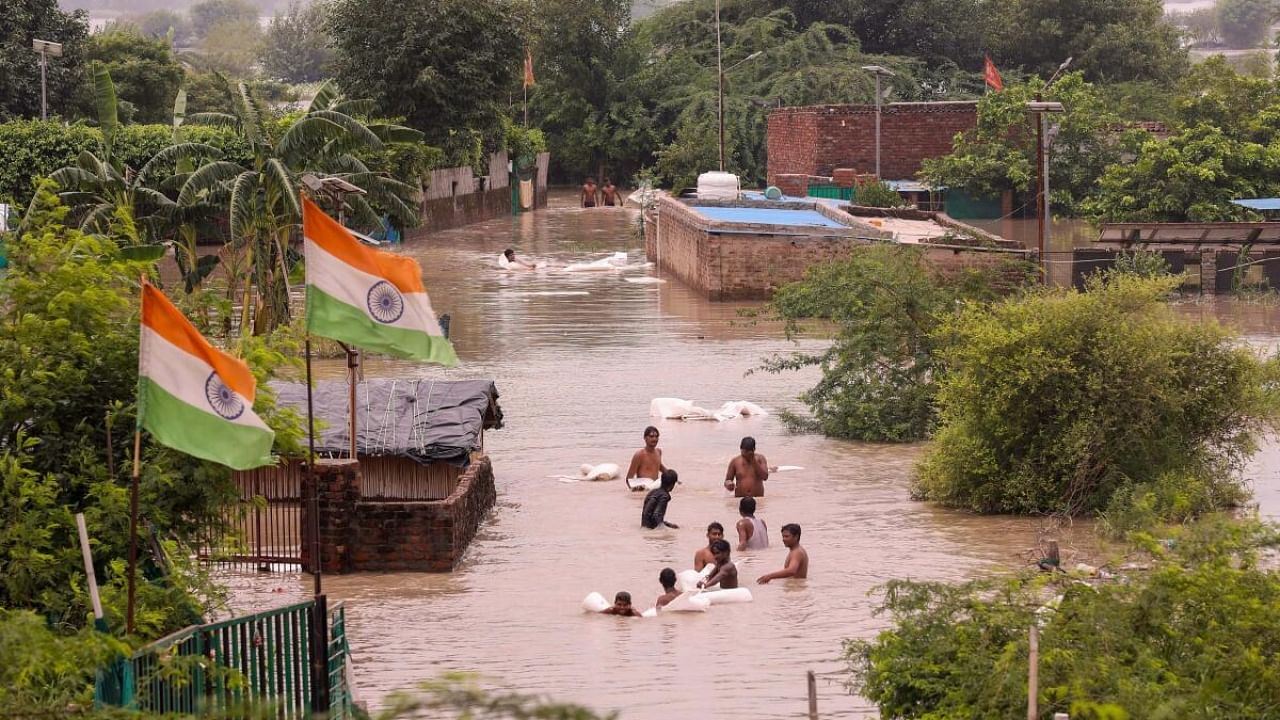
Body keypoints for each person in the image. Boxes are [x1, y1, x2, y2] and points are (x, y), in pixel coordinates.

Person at [625, 426, 665, 492]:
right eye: (651, 436)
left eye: (656, 436)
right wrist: (634, 490)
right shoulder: (639, 455)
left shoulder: (658, 451)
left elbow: (659, 466)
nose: (654, 439)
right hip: (643, 490)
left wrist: (673, 477)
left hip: (655, 487)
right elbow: (629, 479)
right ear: (645, 438)